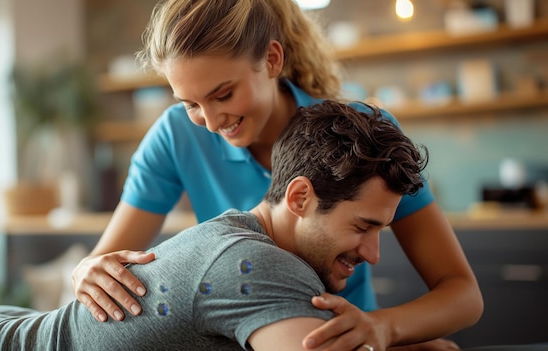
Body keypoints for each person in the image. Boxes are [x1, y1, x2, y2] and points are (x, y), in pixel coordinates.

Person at [71, 0, 483, 349]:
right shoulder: (176, 136)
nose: (212, 122)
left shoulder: (360, 139)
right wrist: (85, 270)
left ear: (271, 60)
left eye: (223, 94)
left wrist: (384, 329)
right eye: (191, 103)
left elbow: (462, 293)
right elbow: (109, 263)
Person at [0, 101, 477, 350]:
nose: (376, 254)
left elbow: (461, 294)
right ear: (300, 196)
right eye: (363, 226)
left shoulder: (263, 243)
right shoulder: (257, 266)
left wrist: (391, 333)